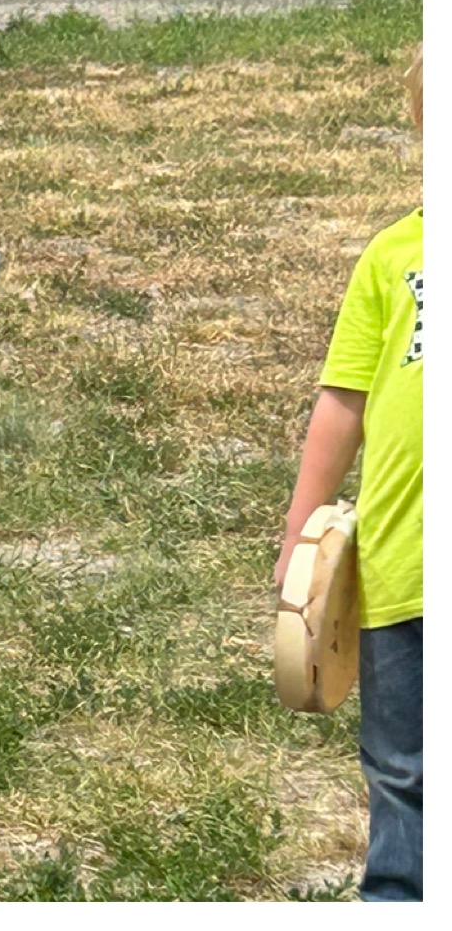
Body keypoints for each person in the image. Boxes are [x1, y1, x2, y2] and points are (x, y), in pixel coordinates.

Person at [279, 77, 420, 901]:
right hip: (403, 572)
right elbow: (341, 404)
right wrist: (303, 537)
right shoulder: (392, 258)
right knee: (402, 769)